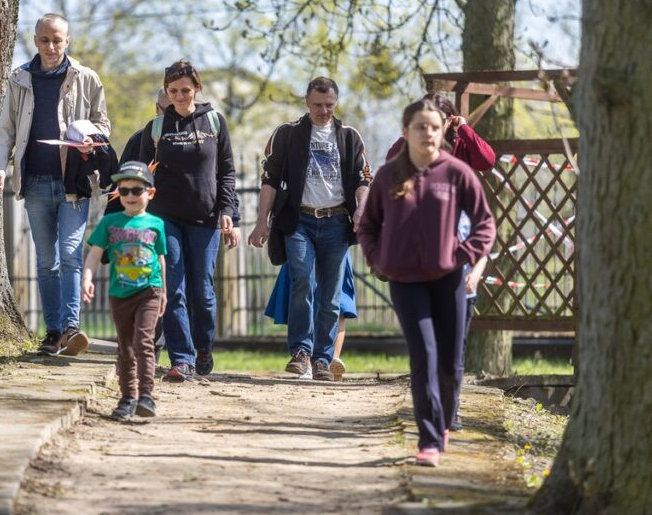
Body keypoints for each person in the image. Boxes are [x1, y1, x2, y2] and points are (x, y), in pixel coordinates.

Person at [358, 98, 496, 467]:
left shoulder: (456, 173)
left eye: (434, 126)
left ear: (443, 130)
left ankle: (445, 420)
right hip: (405, 280)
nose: (428, 133)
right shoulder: (389, 175)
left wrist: (463, 256)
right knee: (424, 356)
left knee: (449, 363)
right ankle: (429, 439)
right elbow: (368, 225)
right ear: (406, 132)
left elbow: (485, 223)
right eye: (420, 126)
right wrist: (378, 257)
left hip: (449, 277)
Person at [0, 13, 110, 356]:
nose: (52, 47)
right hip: (37, 182)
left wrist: (92, 139)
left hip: (74, 182)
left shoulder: (85, 77)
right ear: (36, 41)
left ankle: (72, 328)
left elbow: (103, 124)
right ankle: (53, 331)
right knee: (46, 261)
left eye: (58, 40)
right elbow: (6, 132)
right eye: (45, 40)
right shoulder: (19, 79)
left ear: (67, 41)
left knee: (71, 255)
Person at [249, 77, 372, 381]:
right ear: (307, 102)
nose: (324, 110)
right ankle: (301, 351)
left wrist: (361, 210)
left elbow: (362, 180)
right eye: (318, 105)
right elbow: (270, 181)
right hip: (298, 221)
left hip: (336, 222)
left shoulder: (349, 137)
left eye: (329, 105)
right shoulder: (288, 134)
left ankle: (323, 358)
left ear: (336, 102)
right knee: (301, 280)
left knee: (331, 295)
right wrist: (261, 221)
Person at [386, 92, 496, 428]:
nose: (429, 130)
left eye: (437, 121)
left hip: (456, 256)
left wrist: (464, 130)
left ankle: (450, 408)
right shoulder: (408, 149)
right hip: (415, 258)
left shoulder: (460, 160)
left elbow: (487, 160)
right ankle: (432, 415)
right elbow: (388, 171)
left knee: (453, 345)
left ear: (448, 121)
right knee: (425, 346)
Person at [138, 61, 236, 382]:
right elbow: (140, 175)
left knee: (203, 293)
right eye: (173, 91)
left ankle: (203, 345)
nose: (180, 96)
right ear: (166, 92)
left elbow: (227, 173)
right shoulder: (156, 129)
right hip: (165, 218)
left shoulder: (214, 122)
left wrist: (227, 212)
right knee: (173, 289)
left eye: (185, 90)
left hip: (205, 219)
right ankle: (182, 359)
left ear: (197, 88)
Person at [82, 162, 167, 420]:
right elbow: (94, 254)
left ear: (150, 193)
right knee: (126, 347)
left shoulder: (156, 224)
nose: (130, 195)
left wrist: (163, 291)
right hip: (120, 294)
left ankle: (146, 396)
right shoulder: (110, 222)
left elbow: (161, 259)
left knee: (144, 341)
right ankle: (128, 397)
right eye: (124, 190)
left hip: (149, 291)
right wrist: (87, 278)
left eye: (136, 190)